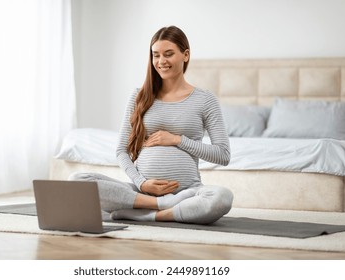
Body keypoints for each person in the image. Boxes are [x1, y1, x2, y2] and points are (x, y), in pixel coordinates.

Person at [69, 26, 233, 224]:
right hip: (141, 191)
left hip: (188, 192)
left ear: (186, 55)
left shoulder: (205, 100)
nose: (161, 61)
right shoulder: (139, 96)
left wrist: (177, 140)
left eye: (169, 54)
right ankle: (160, 206)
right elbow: (121, 151)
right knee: (77, 180)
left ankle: (148, 215)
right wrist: (142, 183)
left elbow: (223, 155)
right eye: (156, 55)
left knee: (222, 198)